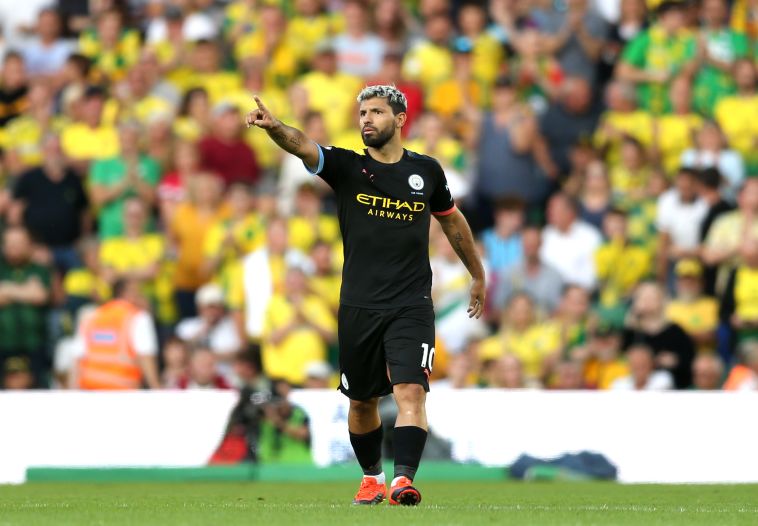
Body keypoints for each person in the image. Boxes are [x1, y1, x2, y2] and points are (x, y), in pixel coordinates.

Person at [247, 84, 485, 506]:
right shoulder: (346, 167)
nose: (367, 120)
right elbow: (302, 144)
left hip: (412, 303)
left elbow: (451, 222)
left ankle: (403, 481)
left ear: (399, 119)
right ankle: (372, 477)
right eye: (362, 114)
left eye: (376, 112)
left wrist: (477, 274)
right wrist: (275, 127)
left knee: (410, 390)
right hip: (359, 305)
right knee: (361, 403)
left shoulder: (427, 171)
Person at [70, 278, 161, 390]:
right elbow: (146, 357)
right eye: (140, 293)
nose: (144, 299)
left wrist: (72, 393)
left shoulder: (92, 316)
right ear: (129, 294)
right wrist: (157, 389)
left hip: (90, 390)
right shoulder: (138, 318)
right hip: (123, 391)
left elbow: (77, 359)